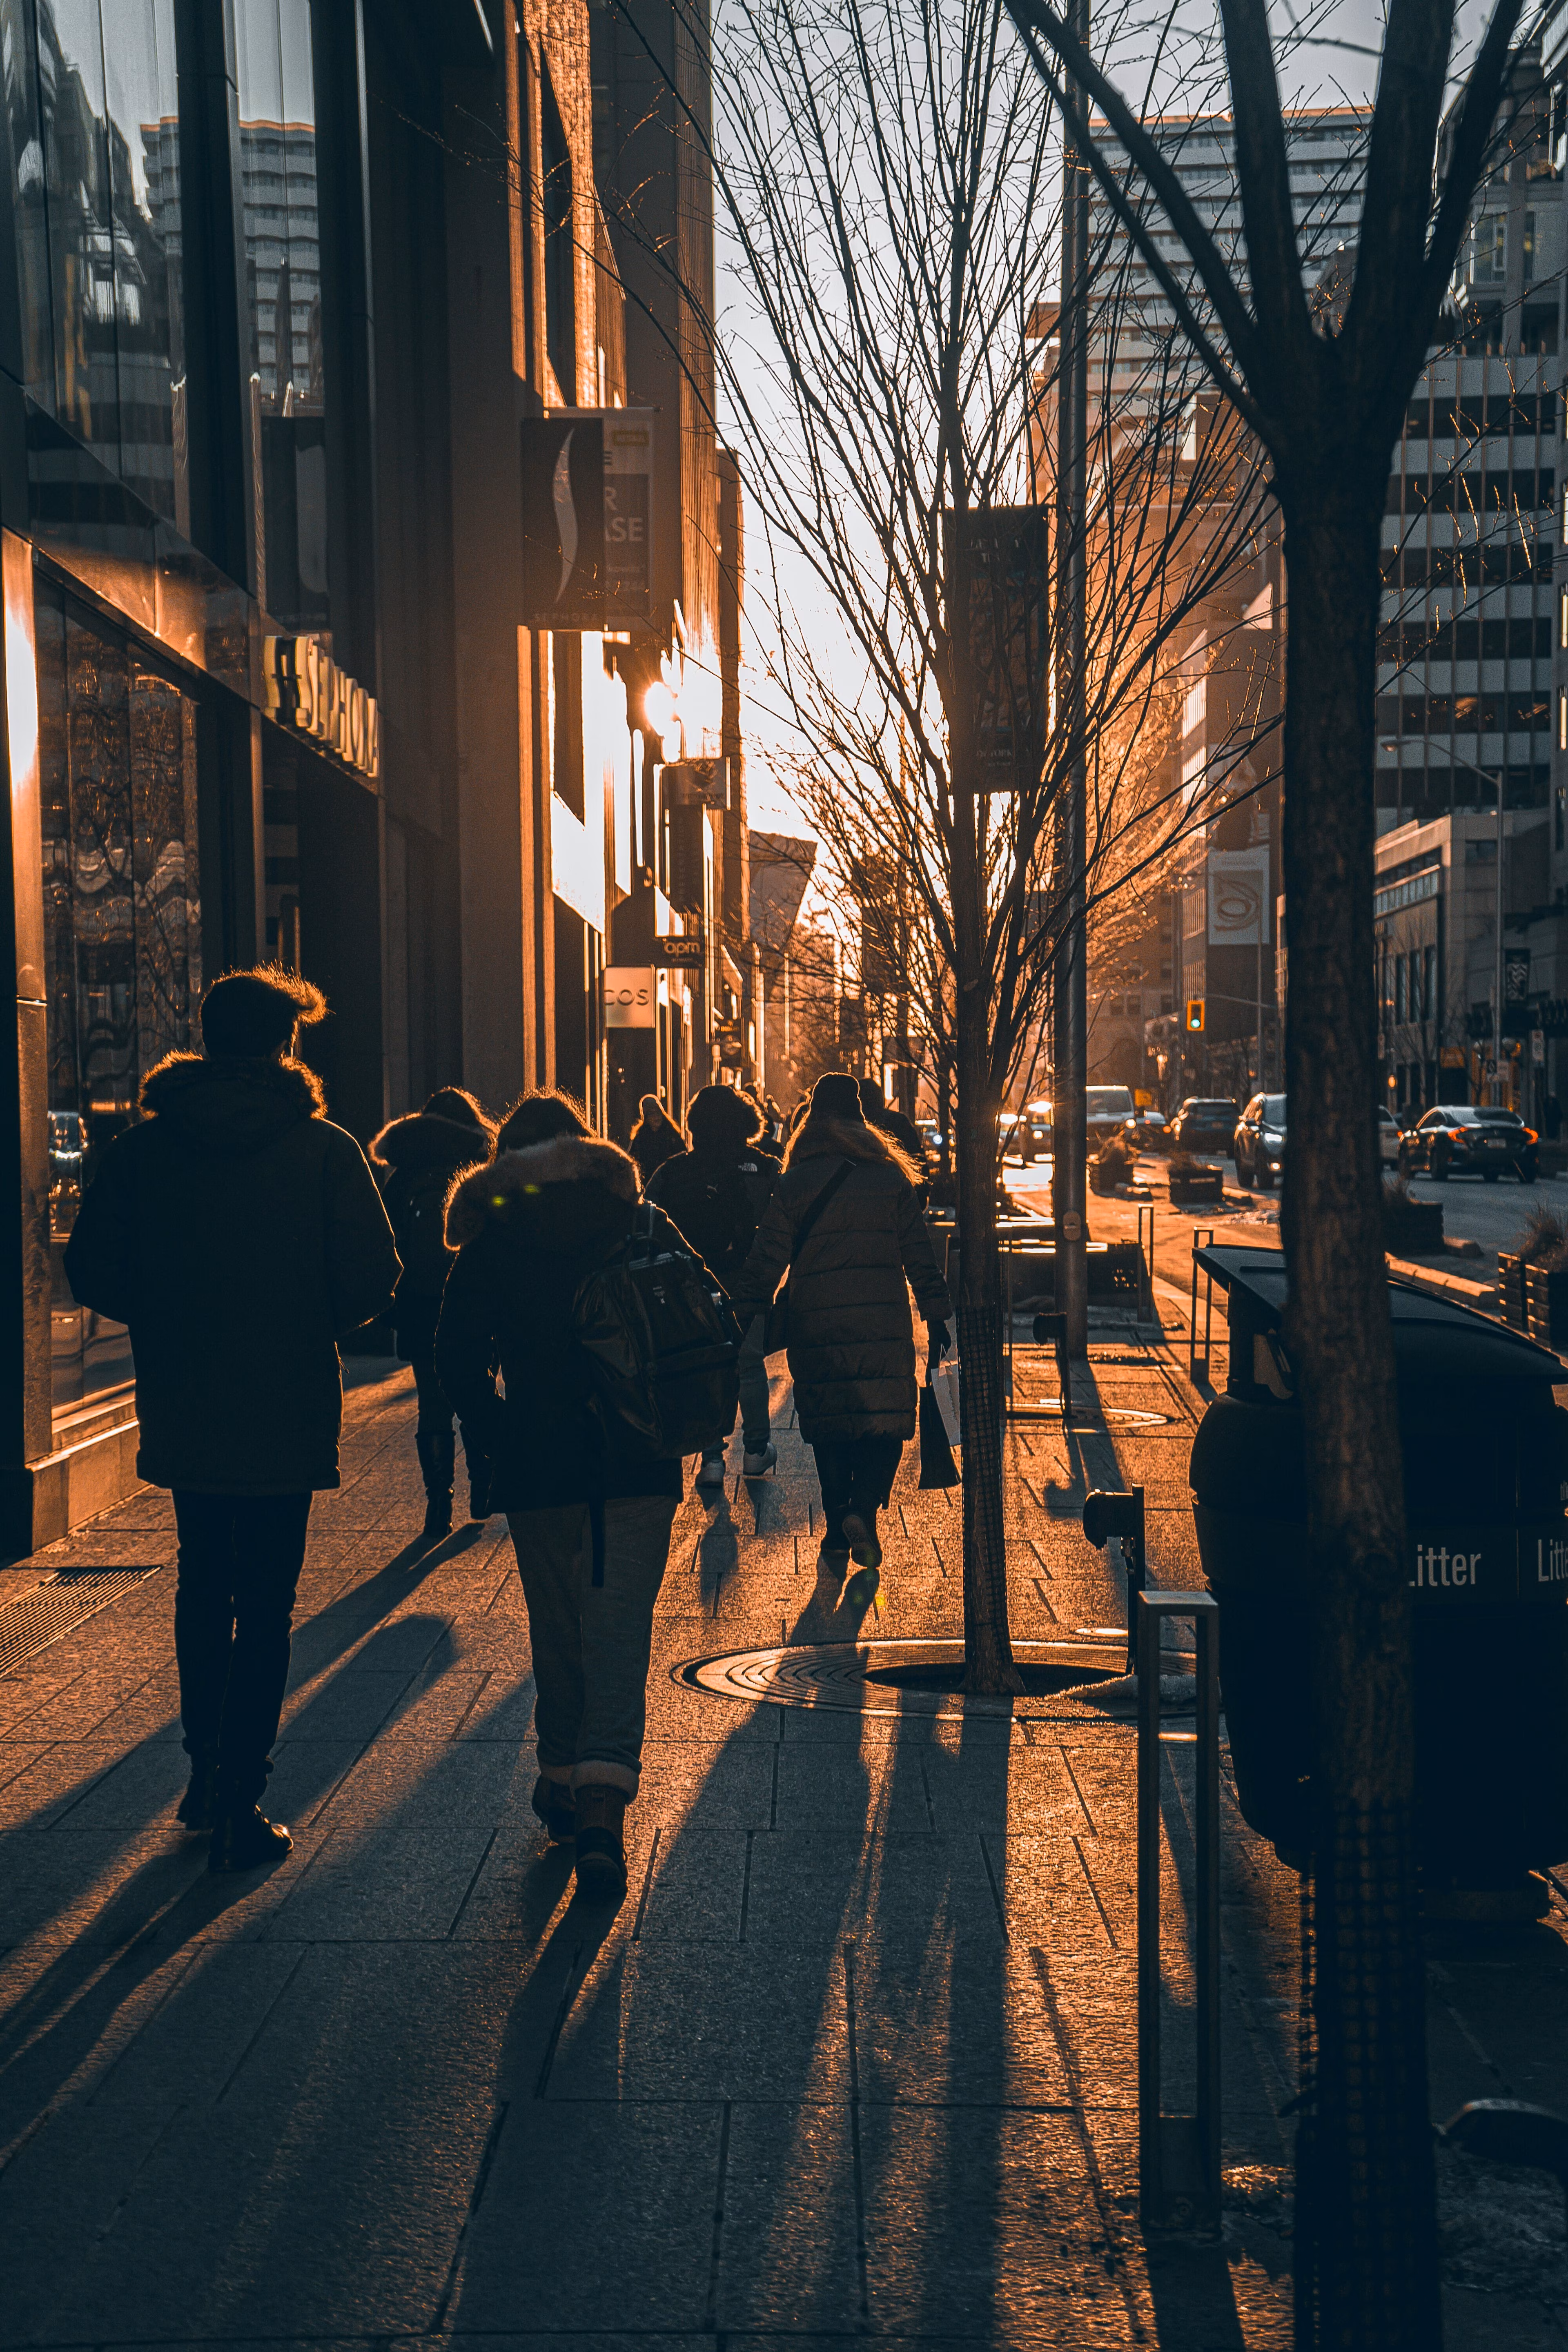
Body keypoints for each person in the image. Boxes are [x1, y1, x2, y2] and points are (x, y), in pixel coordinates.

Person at [63, 966, 400, 1873]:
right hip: (287, 1399)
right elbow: (375, 1275)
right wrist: (305, 1321)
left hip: (186, 1396)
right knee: (268, 1599)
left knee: (202, 1587)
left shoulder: (142, 1151)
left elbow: (91, 1270)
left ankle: (206, 1774)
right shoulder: (323, 1150)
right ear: (284, 1044)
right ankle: (242, 1788)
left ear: (205, 1037)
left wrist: (174, 1318)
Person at [437, 1094, 704, 1904]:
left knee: (559, 1628)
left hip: (541, 1463)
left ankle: (563, 1777)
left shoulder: (495, 1234)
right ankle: (599, 1806)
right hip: (637, 1458)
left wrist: (495, 1432)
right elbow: (700, 1314)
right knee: (618, 1629)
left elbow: (455, 1352)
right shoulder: (639, 1217)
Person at [732, 1070, 951, 1575]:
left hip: (816, 1323)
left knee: (829, 1425)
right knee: (886, 1422)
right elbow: (920, 1256)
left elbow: (767, 1258)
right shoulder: (890, 1177)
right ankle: (862, 1509)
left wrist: (746, 1311)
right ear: (859, 1119)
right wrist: (937, 1314)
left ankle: (836, 1525)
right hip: (883, 1322)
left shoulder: (795, 1180)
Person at [372, 1088, 496, 1538]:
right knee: (477, 1395)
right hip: (476, 1303)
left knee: (433, 1405)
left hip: (421, 1307)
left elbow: (385, 1243)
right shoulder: (480, 1171)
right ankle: (483, 1485)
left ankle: (437, 1504)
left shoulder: (402, 1177)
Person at [647, 1084, 779, 1485]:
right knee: (750, 1363)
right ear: (746, 1122)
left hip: (692, 1284)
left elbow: (647, 1223)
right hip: (749, 1277)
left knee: (709, 1364)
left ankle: (712, 1458)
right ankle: (756, 1450)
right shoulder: (766, 1168)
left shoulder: (673, 1171)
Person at [628, 1093, 685, 1185]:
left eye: (658, 1112)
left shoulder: (672, 1135)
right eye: (651, 1113)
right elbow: (632, 1160)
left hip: (670, 1183)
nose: (656, 1117)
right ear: (646, 1118)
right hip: (648, 1184)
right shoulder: (640, 1138)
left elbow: (683, 1156)